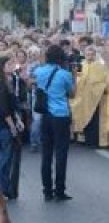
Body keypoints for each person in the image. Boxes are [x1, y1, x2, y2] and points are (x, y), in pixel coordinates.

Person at [35, 44, 76, 201]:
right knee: (60, 154)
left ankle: (46, 191)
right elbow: (72, 94)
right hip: (60, 115)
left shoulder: (39, 72)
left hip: (45, 115)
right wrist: (74, 77)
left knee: (46, 154)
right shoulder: (64, 74)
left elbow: (34, 83)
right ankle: (59, 190)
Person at [70, 44, 109, 147]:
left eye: (91, 54)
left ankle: (94, 141)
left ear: (95, 55)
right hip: (83, 97)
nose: (89, 56)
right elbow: (78, 78)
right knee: (82, 117)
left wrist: (95, 87)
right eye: (87, 54)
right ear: (84, 54)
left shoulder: (99, 66)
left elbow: (102, 81)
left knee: (94, 121)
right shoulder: (82, 64)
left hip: (96, 99)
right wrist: (76, 75)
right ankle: (84, 139)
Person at [0, 58, 21, 199]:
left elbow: (12, 106)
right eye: (9, 64)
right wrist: (12, 125)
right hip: (4, 126)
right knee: (5, 159)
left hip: (6, 123)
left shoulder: (9, 82)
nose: (13, 66)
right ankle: (3, 190)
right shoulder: (2, 85)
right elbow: (5, 109)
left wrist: (18, 119)